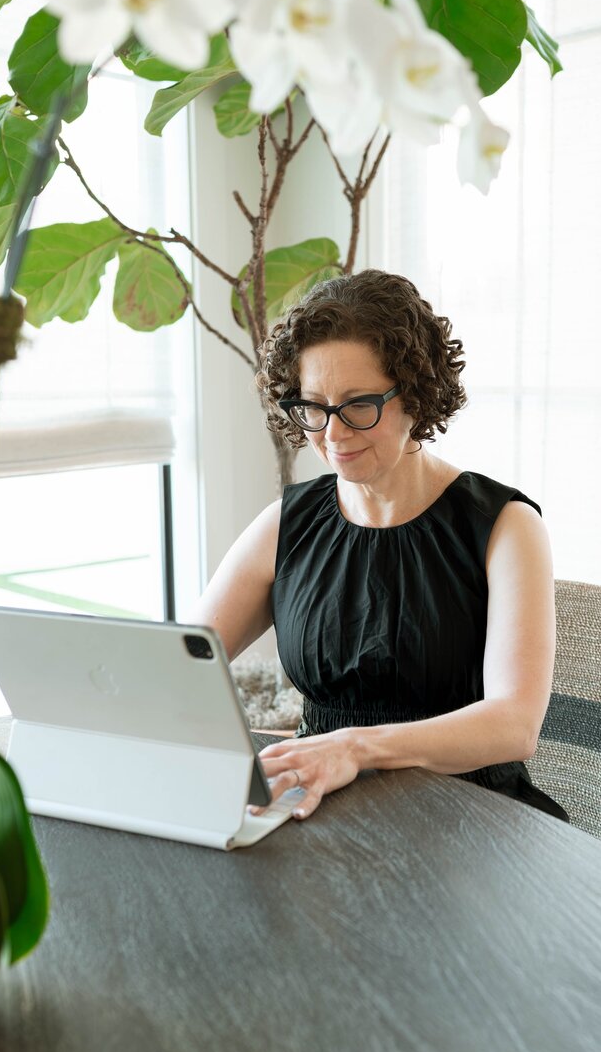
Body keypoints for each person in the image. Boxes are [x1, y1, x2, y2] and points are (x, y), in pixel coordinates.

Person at [193, 269, 568, 824]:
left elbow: (514, 725)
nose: (333, 434)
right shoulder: (286, 525)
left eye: (358, 404)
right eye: (314, 406)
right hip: (321, 809)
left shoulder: (505, 527)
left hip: (474, 819)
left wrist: (354, 747)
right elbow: (183, 661)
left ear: (415, 395)